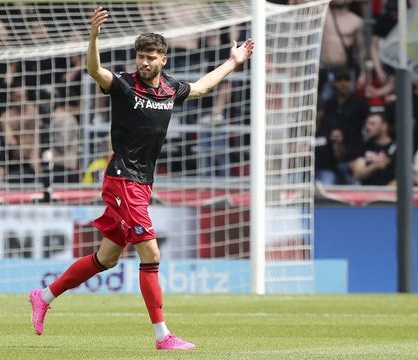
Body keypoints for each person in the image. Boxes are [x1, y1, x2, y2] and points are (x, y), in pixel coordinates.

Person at [29, 7, 254, 351]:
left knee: (107, 259)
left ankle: (43, 295)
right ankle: (163, 336)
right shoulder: (122, 85)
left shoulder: (170, 90)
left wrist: (234, 62)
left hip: (142, 182)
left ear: (163, 59)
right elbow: (94, 70)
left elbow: (203, 88)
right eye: (140, 57)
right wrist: (93, 38)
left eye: (150, 57)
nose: (144, 63)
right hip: (123, 179)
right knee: (150, 252)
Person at [350, 112, 396, 186]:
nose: (367, 127)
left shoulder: (396, 148)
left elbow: (402, 177)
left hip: (389, 194)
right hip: (367, 192)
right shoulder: (364, 146)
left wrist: (384, 193)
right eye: (367, 124)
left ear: (384, 126)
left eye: (372, 124)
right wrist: (375, 166)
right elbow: (357, 174)